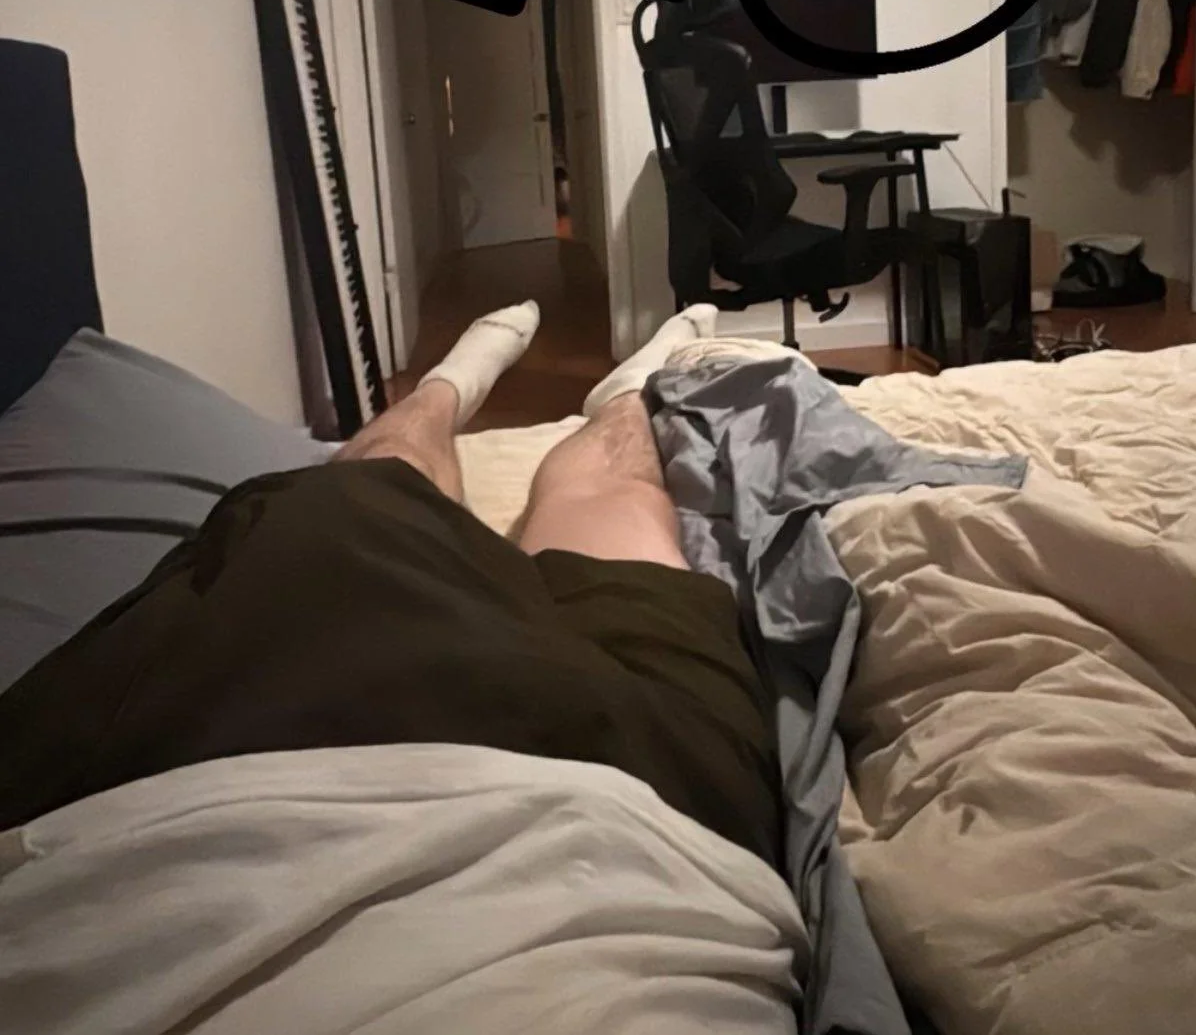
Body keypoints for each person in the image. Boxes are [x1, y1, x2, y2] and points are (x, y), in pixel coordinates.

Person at [0, 303, 804, 1034]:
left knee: (383, 471)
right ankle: (614, 396)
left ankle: (449, 394)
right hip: (651, 829)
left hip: (191, 763)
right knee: (621, 494)